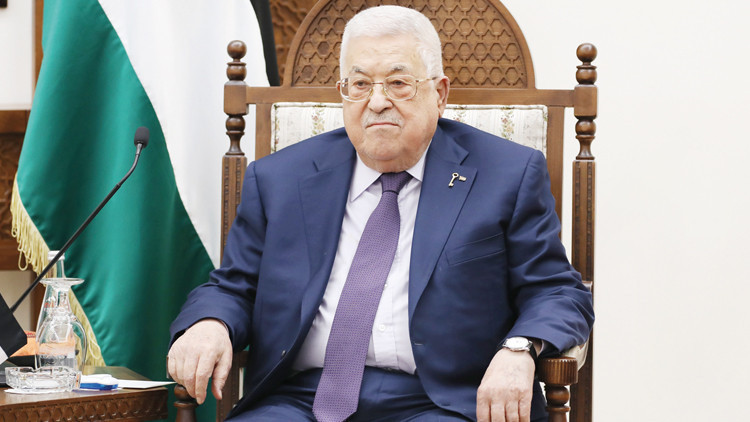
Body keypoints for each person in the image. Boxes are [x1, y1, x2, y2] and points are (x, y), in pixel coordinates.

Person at [168, 5, 594, 422]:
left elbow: (558, 292)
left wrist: (520, 349)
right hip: (299, 399)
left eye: (398, 83)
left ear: (439, 94)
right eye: (359, 84)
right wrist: (211, 322)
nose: (376, 102)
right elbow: (234, 286)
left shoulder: (506, 174)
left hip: (444, 402)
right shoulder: (279, 178)